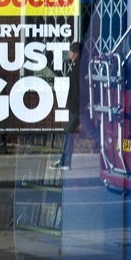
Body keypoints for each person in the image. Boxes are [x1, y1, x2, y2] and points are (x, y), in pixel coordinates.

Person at [53, 41, 87, 170]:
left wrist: (77, 106)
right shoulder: (76, 65)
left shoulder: (78, 67)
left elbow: (79, 89)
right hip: (77, 107)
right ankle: (65, 160)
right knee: (74, 133)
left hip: (78, 108)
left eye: (71, 52)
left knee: (69, 132)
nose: (69, 54)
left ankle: (65, 162)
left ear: (76, 54)